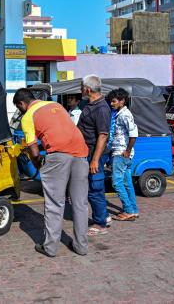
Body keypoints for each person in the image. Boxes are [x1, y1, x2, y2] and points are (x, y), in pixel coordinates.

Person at [13, 88, 89, 257]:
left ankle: (50, 247)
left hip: (58, 156)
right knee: (80, 203)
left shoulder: (27, 116)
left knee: (55, 203)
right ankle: (81, 246)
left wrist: (38, 162)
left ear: (21, 104)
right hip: (81, 153)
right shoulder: (56, 105)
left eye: (19, 108)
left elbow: (32, 146)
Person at [77, 75, 112, 236]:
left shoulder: (102, 108)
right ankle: (104, 215)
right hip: (87, 153)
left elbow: (103, 135)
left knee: (94, 188)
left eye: (81, 86)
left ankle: (100, 223)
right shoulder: (89, 104)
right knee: (92, 188)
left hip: (94, 155)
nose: (80, 89)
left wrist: (95, 160)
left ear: (88, 89)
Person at [106, 88, 139, 221]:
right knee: (126, 183)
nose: (111, 104)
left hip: (121, 153)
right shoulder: (118, 114)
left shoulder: (125, 115)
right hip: (122, 153)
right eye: (111, 101)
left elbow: (133, 134)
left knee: (116, 182)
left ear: (122, 101)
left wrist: (127, 150)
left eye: (114, 101)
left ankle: (129, 210)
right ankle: (134, 210)